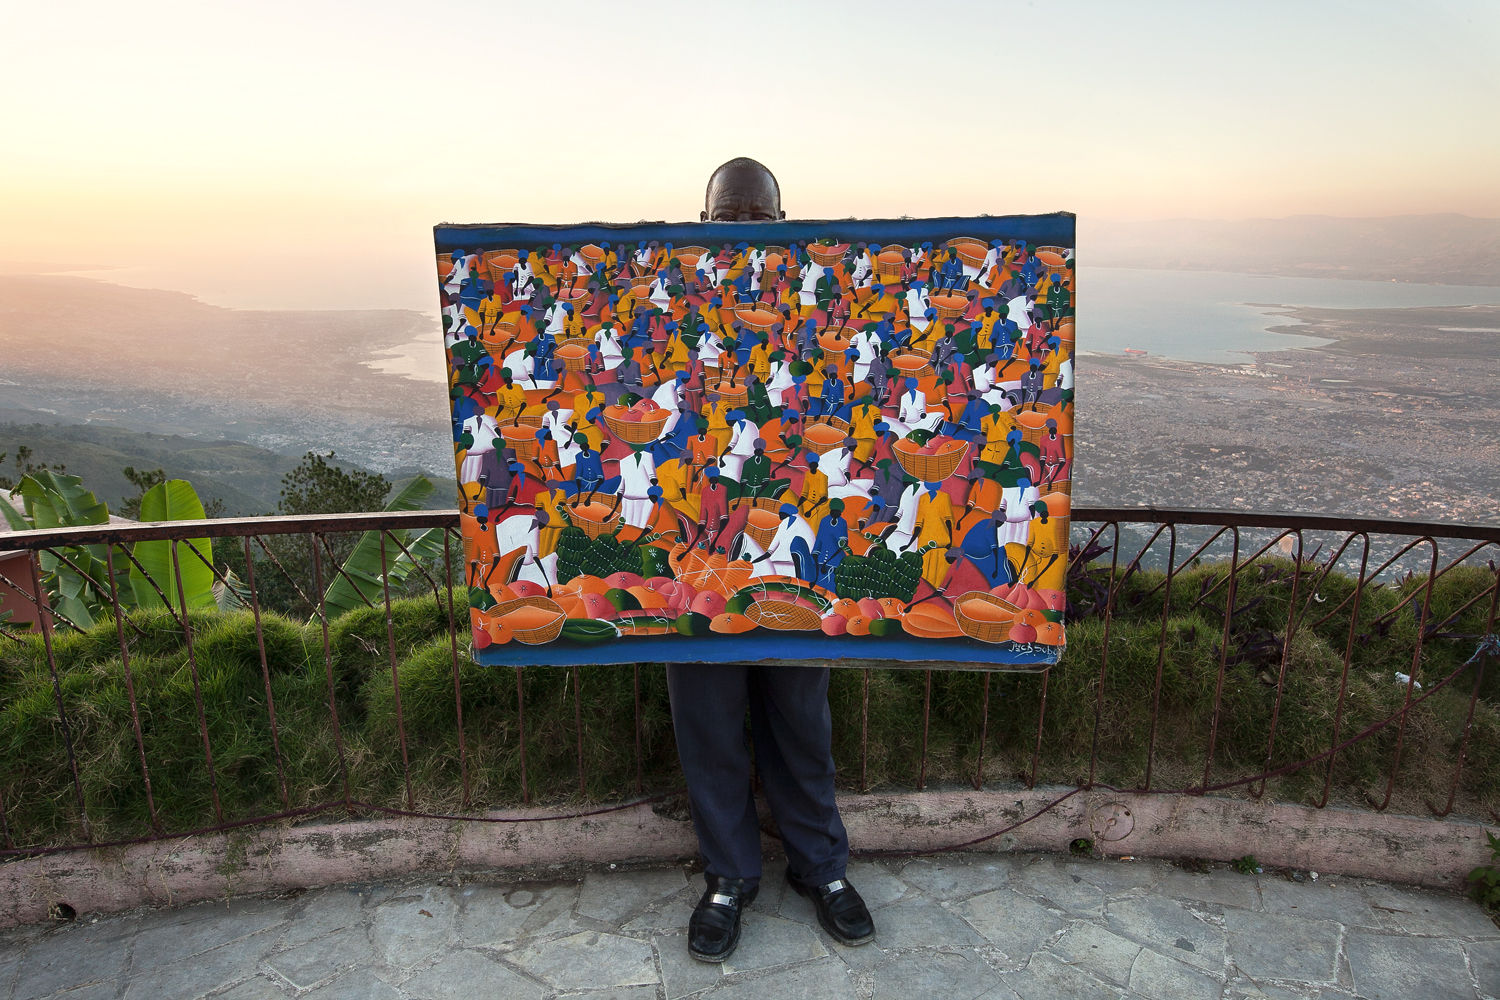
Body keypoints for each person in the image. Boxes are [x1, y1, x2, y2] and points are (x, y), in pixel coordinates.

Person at [671, 158, 875, 966]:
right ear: (703, 222)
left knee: (802, 723)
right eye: (730, 218)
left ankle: (821, 870)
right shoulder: (682, 312)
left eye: (759, 219)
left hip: (793, 560)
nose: (745, 233)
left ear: (785, 223)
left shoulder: (809, 315)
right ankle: (729, 879)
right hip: (697, 561)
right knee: (710, 728)